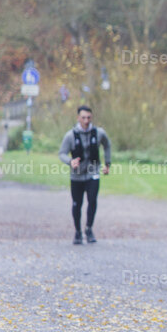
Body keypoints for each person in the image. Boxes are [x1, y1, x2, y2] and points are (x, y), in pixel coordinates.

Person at [58, 105, 111, 245]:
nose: (86, 120)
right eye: (83, 118)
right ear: (78, 118)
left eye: (88, 117)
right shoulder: (70, 136)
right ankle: (77, 232)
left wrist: (107, 163)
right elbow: (61, 154)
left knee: (92, 201)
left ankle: (89, 229)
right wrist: (70, 161)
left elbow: (107, 145)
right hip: (76, 176)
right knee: (77, 204)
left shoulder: (99, 133)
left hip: (93, 172)